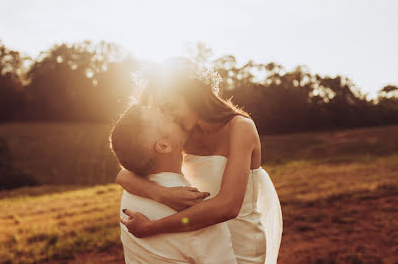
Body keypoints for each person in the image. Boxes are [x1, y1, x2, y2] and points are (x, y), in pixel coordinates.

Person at [117, 58, 283, 264]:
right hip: (201, 242)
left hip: (242, 244)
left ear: (193, 95)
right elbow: (124, 174)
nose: (169, 116)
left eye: (171, 106)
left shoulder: (240, 128)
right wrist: (164, 195)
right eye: (162, 110)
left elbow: (229, 206)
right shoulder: (183, 134)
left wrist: (153, 227)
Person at [110, 103, 238, 264]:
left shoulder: (130, 194)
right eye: (163, 116)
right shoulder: (197, 212)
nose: (172, 114)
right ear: (163, 146)